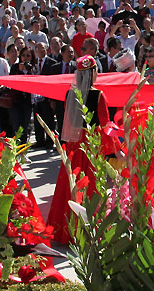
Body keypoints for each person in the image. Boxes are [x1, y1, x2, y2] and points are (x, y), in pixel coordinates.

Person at [46, 55, 111, 245]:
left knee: (70, 184)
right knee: (91, 185)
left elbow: (68, 119)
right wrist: (115, 150)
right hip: (91, 143)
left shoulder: (69, 94)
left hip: (74, 144)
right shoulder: (99, 95)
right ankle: (91, 230)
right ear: (93, 73)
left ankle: (68, 230)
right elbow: (105, 126)